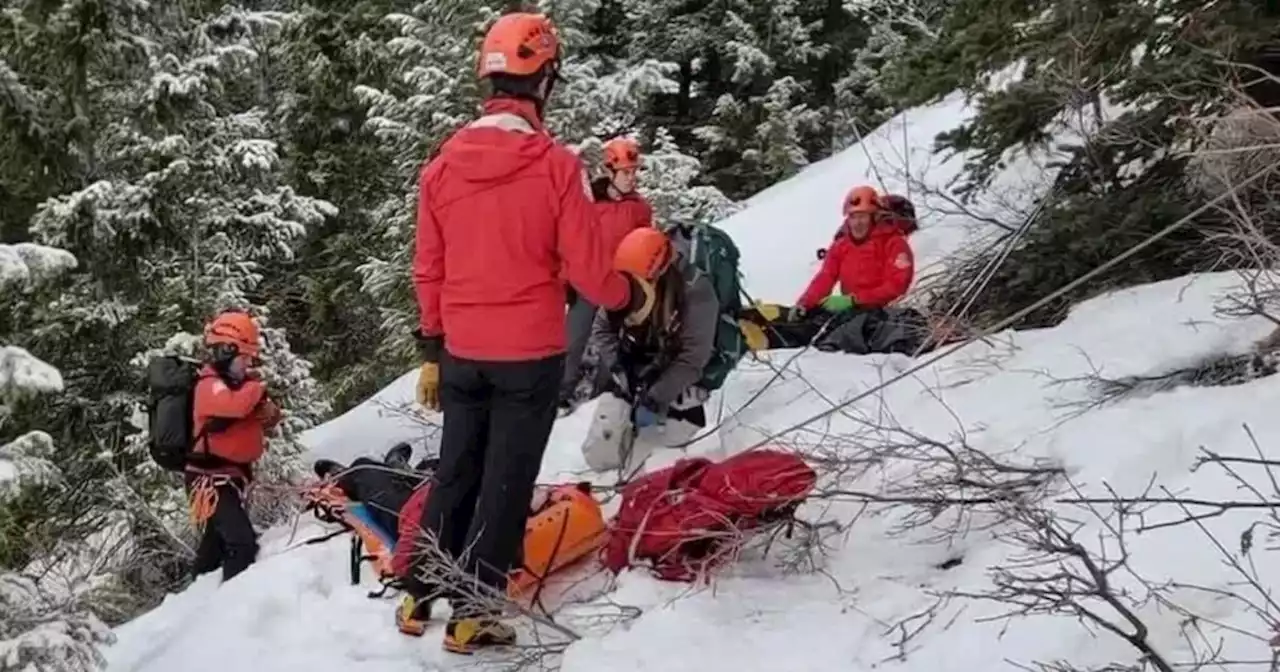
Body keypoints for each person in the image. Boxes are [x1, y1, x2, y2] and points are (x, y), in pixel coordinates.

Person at [402, 12, 648, 654]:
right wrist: (629, 297)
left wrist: (432, 346)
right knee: (505, 478)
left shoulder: (443, 167)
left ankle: (419, 588)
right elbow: (591, 269)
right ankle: (475, 609)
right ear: (543, 81)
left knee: (457, 466)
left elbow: (428, 266)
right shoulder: (554, 166)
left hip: (460, 352)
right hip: (528, 353)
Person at [591, 227, 719, 430]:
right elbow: (602, 328)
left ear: (657, 275)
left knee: (670, 441)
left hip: (678, 367)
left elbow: (693, 357)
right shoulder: (620, 286)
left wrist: (655, 398)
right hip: (639, 357)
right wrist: (618, 366)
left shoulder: (696, 294)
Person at [185, 310, 281, 582]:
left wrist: (270, 413)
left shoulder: (240, 385)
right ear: (226, 351)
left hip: (231, 478)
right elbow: (235, 405)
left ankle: (192, 604)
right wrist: (259, 388)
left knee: (214, 550)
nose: (247, 364)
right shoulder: (209, 385)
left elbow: (260, 415)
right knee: (241, 544)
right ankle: (233, 612)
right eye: (244, 357)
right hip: (210, 480)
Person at [559, 137, 654, 410]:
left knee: (610, 347)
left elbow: (645, 246)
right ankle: (559, 395)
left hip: (620, 289)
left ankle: (599, 399)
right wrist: (566, 279)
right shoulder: (589, 204)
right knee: (572, 341)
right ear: (610, 171)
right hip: (587, 284)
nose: (631, 178)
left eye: (634, 172)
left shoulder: (640, 208)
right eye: (626, 172)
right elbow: (573, 243)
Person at [793, 185, 914, 319]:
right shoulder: (841, 245)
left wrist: (855, 300)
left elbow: (897, 285)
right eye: (853, 217)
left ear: (874, 217)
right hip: (853, 314)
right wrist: (805, 303)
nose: (857, 223)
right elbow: (826, 277)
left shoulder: (894, 243)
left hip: (886, 314)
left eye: (862, 216)